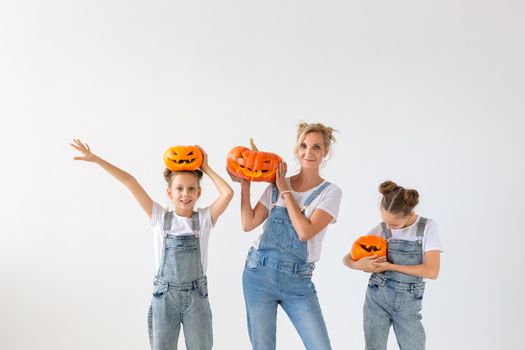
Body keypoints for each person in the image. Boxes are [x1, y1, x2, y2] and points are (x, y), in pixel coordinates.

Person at [70, 139, 233, 350]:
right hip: (165, 298)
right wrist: (95, 159)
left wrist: (206, 167)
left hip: (196, 298)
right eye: (179, 188)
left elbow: (228, 193)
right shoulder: (159, 218)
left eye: (191, 188)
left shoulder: (203, 220)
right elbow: (131, 183)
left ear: (199, 193)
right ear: (169, 193)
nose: (185, 194)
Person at [229, 123, 342, 350]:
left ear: (325, 153)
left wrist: (284, 190)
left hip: (298, 281)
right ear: (296, 149)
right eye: (303, 146)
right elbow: (248, 223)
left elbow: (305, 231)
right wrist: (245, 185)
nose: (308, 153)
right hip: (258, 273)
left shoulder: (331, 193)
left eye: (316, 147)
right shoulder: (276, 184)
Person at [343, 180, 442, 350]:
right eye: (385, 221)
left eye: (394, 224)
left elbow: (432, 271)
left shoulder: (427, 227)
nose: (388, 227)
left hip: (409, 304)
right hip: (377, 298)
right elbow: (347, 259)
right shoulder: (381, 229)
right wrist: (362, 265)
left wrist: (390, 266)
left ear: (409, 213)